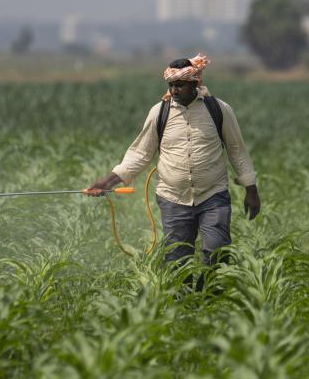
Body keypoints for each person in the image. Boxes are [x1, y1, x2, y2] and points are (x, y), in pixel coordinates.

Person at [87, 52, 260, 290]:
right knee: (178, 260)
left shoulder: (219, 109)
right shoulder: (160, 112)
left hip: (213, 195)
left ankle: (209, 301)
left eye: (179, 85)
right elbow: (140, 153)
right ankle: (184, 307)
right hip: (172, 198)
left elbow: (237, 150)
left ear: (194, 83)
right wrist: (108, 181)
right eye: (171, 85)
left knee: (218, 252)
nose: (174, 90)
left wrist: (251, 188)